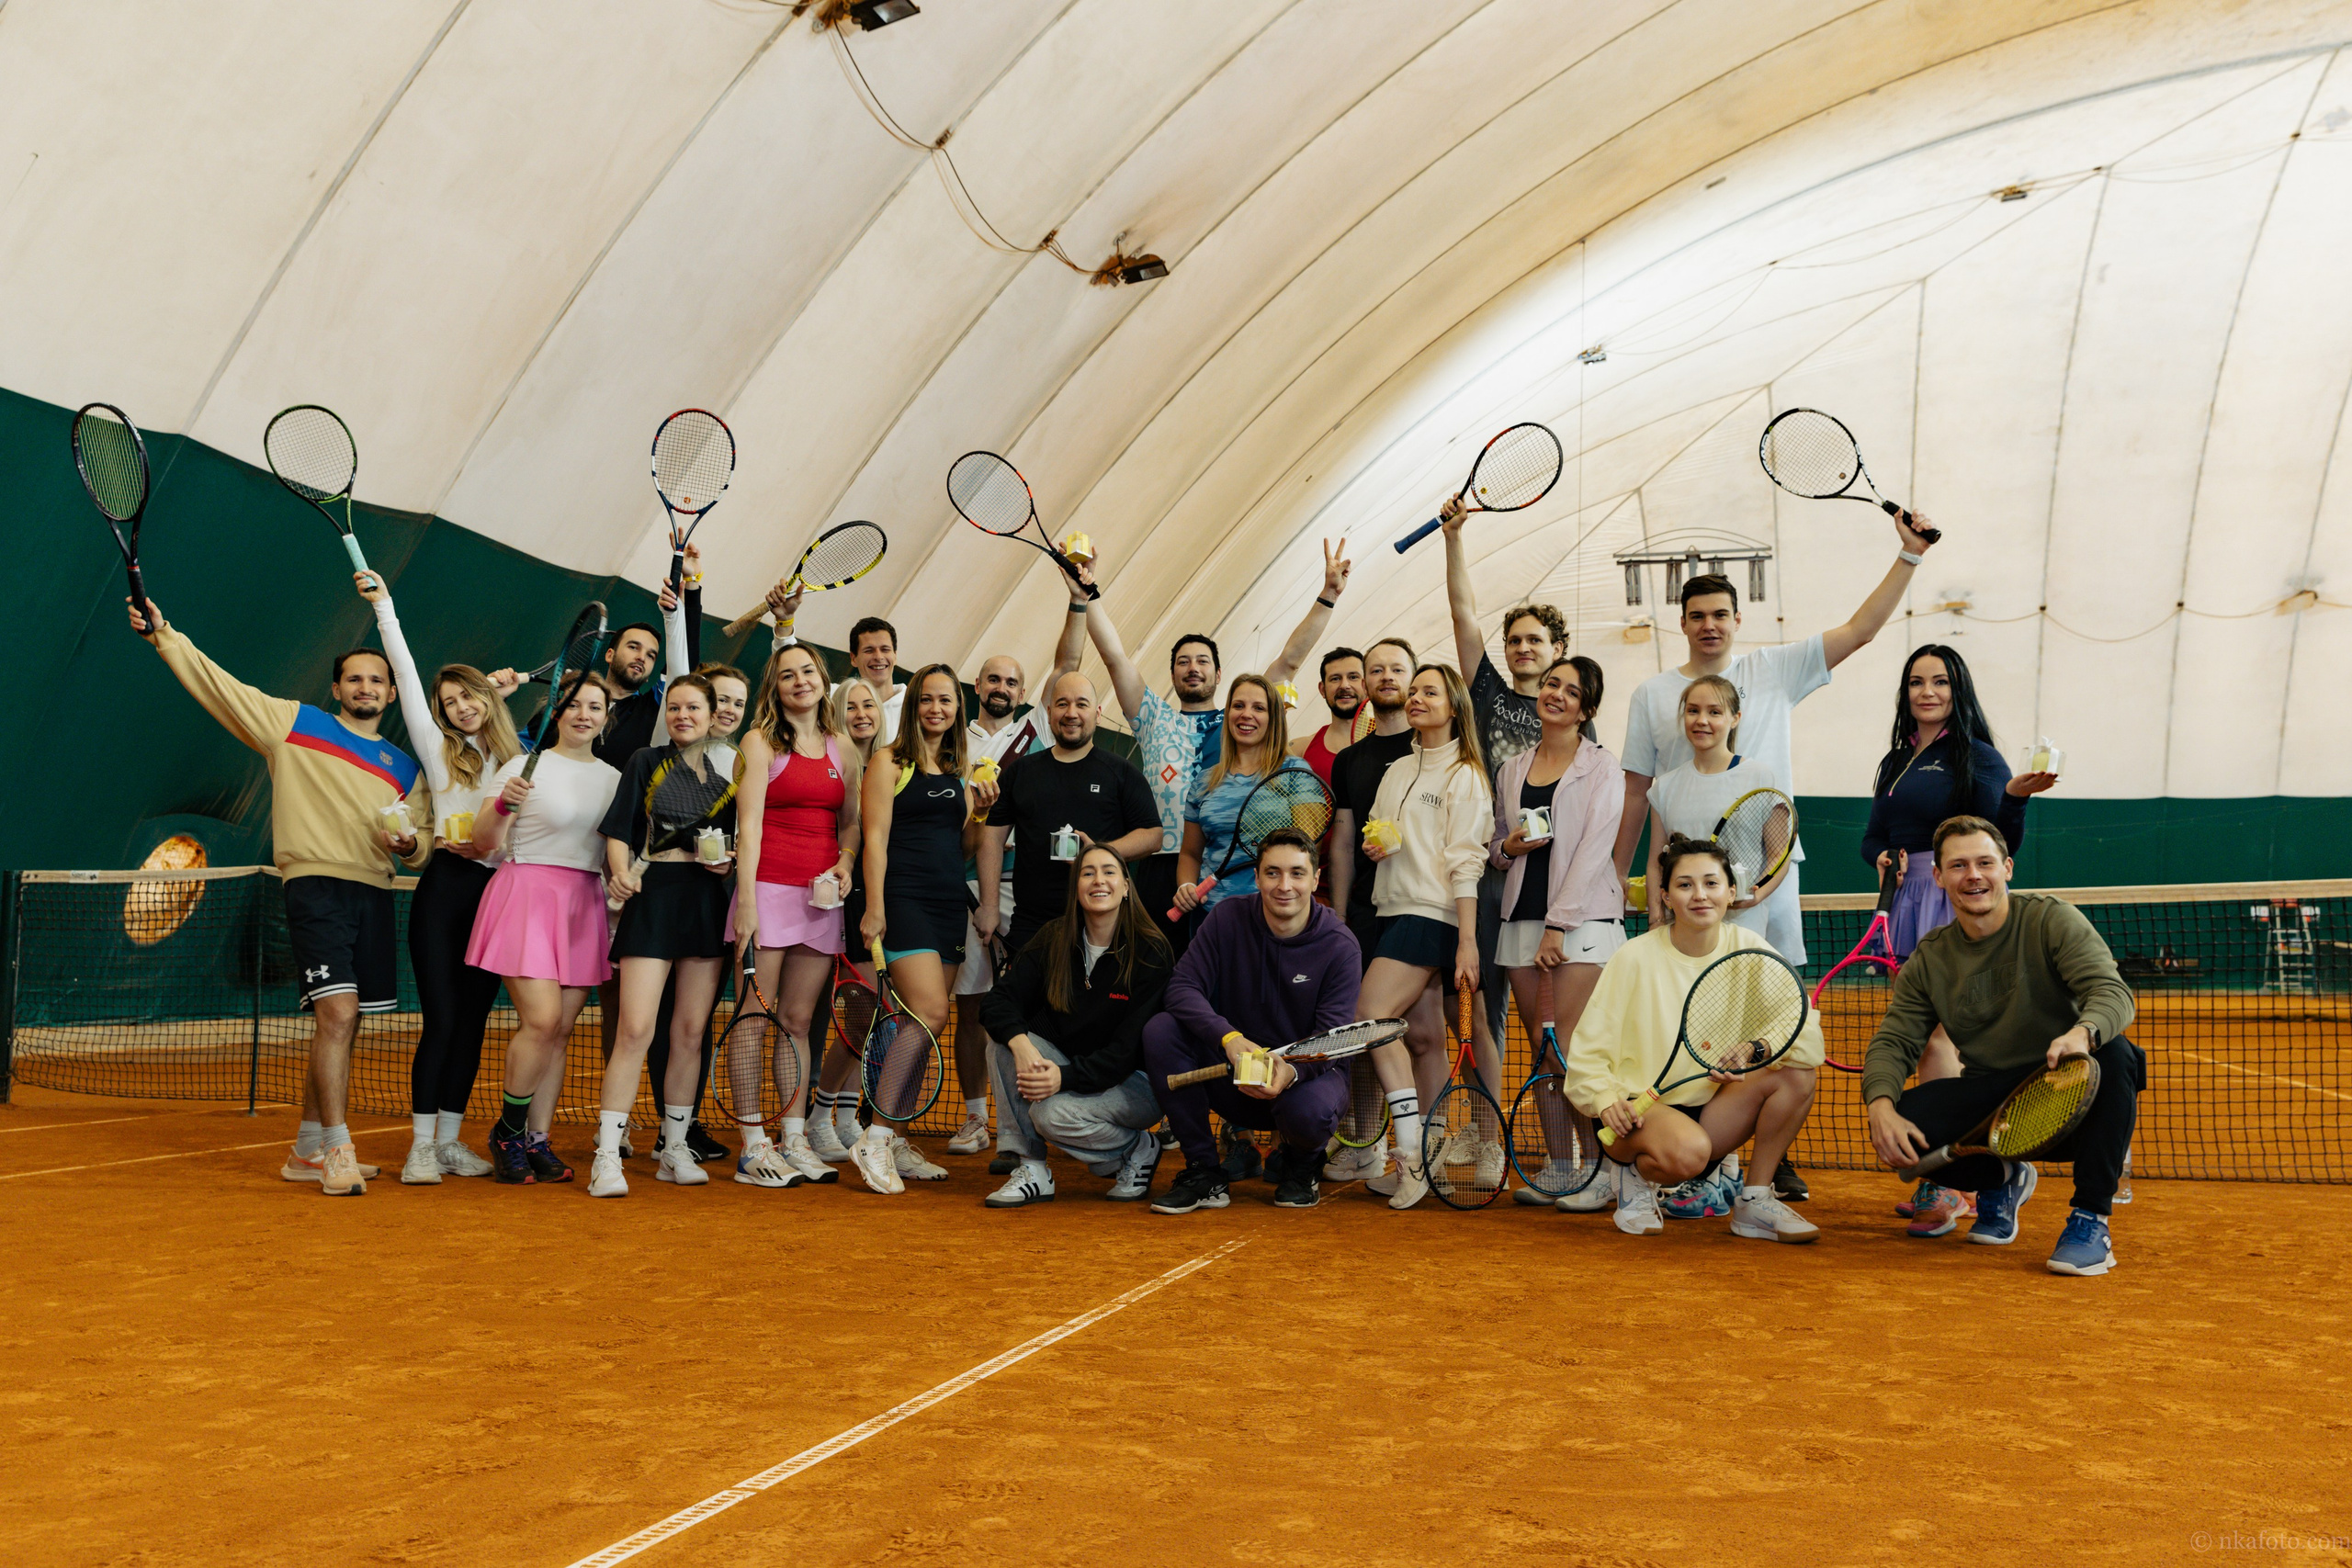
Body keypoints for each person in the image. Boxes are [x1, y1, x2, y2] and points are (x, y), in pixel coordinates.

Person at [130, 593, 424, 1196]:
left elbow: (423, 847)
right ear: (337, 689)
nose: (366, 687)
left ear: (392, 694)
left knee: (346, 1024)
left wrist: (411, 845)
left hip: (375, 894)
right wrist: (165, 635)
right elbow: (222, 688)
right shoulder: (294, 724)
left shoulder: (405, 768)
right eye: (354, 679)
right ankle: (338, 1147)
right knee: (337, 1014)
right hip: (315, 888)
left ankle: (307, 1150)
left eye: (377, 680)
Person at [1612, 519, 1939, 964]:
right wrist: (1616, 874)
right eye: (1698, 616)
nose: (1710, 625)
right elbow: (1636, 793)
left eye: (1720, 615)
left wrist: (1910, 554)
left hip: (1768, 873)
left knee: (1776, 991)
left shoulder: (1775, 669)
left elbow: (1860, 630)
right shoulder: (1650, 694)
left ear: (1737, 620)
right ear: (1682, 624)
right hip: (1686, 883)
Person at [1862, 818, 2141, 1276]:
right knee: (1907, 1120)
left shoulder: (2050, 919)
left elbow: (2111, 992)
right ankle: (2003, 1179)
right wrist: (1879, 1105)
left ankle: (2090, 1219)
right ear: (1938, 877)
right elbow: (1895, 1039)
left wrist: (2082, 1033)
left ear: (2007, 868)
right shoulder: (1931, 959)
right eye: (1958, 866)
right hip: (1995, 1102)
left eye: (1985, 863)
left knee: (2116, 1054)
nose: (1973, 875)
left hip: (2067, 1085)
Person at [1861, 643, 2059, 1232]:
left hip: (1952, 897)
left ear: (1958, 690)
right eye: (1917, 682)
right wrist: (1881, 857)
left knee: (1942, 1035)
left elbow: (1999, 840)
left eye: (1940, 682)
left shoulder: (1977, 755)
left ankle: (1952, 1180)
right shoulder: (1896, 760)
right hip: (1904, 901)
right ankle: (1958, 1174)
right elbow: (1874, 834)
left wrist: (2016, 798)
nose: (1927, 692)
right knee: (1922, 1034)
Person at [1081, 540, 1351, 938]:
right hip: (1163, 867)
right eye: (1183, 662)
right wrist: (1086, 594)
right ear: (1172, 675)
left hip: (1232, 877)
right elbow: (1114, 657)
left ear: (1219, 674)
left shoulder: (1240, 719)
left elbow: (1290, 660)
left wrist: (1328, 595)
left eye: (1203, 660)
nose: (1193, 668)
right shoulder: (1153, 718)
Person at [1563, 835, 1825, 1243]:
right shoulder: (1633, 957)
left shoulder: (1749, 949)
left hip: (1713, 1110)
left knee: (1797, 1074)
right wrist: (1605, 1099)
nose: (1700, 895)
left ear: (1731, 891)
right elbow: (1587, 1051)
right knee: (1688, 1154)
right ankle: (1633, 1176)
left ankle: (1754, 1200)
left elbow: (1801, 1025)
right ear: (1666, 896)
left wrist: (1756, 1049)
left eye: (1711, 883)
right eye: (1685, 885)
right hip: (1635, 1112)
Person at [356, 571, 528, 1185]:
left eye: (467, 696)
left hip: (496, 897)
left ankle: (451, 1142)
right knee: (443, 1020)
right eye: (450, 701)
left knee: (475, 1023)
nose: (460, 707)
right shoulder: (438, 750)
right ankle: (421, 1147)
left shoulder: (521, 759)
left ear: (489, 697)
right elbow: (405, 676)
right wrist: (385, 608)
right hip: (445, 893)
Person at [1143, 830, 1363, 1213]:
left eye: (1297, 873)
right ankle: (1204, 1172)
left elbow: (1330, 1041)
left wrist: (1290, 1072)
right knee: (1161, 1030)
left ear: (1315, 879)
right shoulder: (1227, 918)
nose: (1284, 885)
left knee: (1309, 1111)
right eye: (1273, 873)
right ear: (1257, 877)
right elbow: (1182, 987)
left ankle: (1302, 1165)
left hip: (1303, 1084)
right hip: (1233, 1078)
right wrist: (1227, 1038)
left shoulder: (1341, 946)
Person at [467, 671, 623, 1185]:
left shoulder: (614, 778)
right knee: (542, 1019)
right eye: (574, 704)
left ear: (606, 717)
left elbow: (613, 852)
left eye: (595, 707)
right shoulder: (521, 766)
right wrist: (502, 804)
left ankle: (536, 1139)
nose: (584, 714)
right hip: (526, 896)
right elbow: (484, 842)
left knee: (559, 1031)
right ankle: (508, 1133)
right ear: (557, 710)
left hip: (583, 904)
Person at [586, 674, 739, 1197]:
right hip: (653, 901)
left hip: (705, 904)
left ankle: (675, 1147)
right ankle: (608, 1155)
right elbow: (619, 831)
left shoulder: (730, 774)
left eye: (693, 708)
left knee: (690, 1033)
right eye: (674, 707)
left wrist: (727, 865)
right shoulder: (646, 762)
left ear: (712, 715)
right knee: (634, 1030)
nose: (682, 716)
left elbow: (736, 842)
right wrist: (620, 873)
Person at [1440, 501, 1568, 1110]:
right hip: (1486, 874)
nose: (1522, 648)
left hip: (1544, 881)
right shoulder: (1486, 693)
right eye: (1514, 639)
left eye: (1534, 640)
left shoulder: (1574, 715)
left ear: (1557, 648)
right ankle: (1487, 1130)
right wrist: (1453, 538)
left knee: (1546, 1023)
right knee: (1480, 1008)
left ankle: (1563, 1144)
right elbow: (1463, 614)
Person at [1487, 655, 1625, 1213]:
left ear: (1585, 709)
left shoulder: (1604, 767)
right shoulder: (1511, 768)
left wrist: (1557, 927)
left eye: (1571, 691)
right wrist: (1506, 849)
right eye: (1552, 684)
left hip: (1582, 924)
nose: (1557, 694)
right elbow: (1497, 844)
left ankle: (1602, 1170)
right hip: (1520, 920)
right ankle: (1560, 1167)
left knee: (1571, 1050)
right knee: (1541, 1051)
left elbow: (1594, 852)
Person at [1353, 662, 1494, 1212]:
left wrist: (1467, 941)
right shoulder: (1397, 769)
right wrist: (1376, 846)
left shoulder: (1466, 775)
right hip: (1392, 909)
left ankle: (1410, 1153)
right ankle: (1432, 1158)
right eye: (1413, 691)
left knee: (1371, 1017)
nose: (1416, 698)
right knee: (1425, 1039)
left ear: (1454, 705)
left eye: (1429, 692)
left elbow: (1467, 861)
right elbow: (1379, 828)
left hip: (1432, 915)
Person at [728, 641, 862, 1189]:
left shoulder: (843, 747)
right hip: (765, 893)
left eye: (808, 671)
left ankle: (795, 1137)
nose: (800, 681)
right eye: (788, 675)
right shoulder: (758, 742)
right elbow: (748, 828)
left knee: (799, 1022)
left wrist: (845, 863)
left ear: (823, 680)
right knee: (752, 1019)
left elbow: (850, 822)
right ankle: (753, 1146)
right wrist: (748, 904)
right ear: (775, 688)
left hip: (820, 902)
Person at [856, 664, 992, 1193]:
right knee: (929, 1012)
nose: (937, 709)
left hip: (947, 905)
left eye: (946, 700)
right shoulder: (888, 761)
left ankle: (897, 1137)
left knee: (929, 1026)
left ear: (958, 709)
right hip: (903, 900)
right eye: (927, 699)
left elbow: (962, 848)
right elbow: (874, 839)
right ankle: (875, 1136)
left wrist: (980, 814)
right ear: (913, 704)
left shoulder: (959, 770)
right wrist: (875, 908)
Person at [978, 844, 1174, 1207]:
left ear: (1126, 886)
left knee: (1050, 1116)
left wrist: (1063, 1078)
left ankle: (1137, 1146)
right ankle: (1032, 1169)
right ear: (1076, 888)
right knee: (1002, 1044)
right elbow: (997, 1002)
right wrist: (1021, 1044)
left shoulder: (1151, 951)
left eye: (1109, 872)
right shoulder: (1054, 937)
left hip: (1135, 1082)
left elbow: (1125, 1053)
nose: (1099, 880)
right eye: (1087, 873)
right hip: (1071, 1067)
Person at [1322, 637, 1434, 1183]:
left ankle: (1430, 1148)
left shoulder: (1437, 749)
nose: (1386, 677)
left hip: (1424, 908)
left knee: (1423, 1035)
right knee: (1364, 1030)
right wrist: (1341, 915)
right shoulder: (1349, 761)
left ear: (1413, 679)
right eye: (1376, 670)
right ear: (1365, 683)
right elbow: (1343, 842)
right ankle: (1366, 1141)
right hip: (1368, 911)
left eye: (1397, 669)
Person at [979, 672, 1162, 953]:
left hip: (1101, 923)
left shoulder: (1121, 772)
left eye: (1081, 704)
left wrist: (1099, 852)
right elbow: (992, 838)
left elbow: (1153, 835)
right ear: (1049, 712)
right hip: (1031, 923)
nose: (1071, 713)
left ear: (1097, 713)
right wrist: (990, 906)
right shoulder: (1021, 771)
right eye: (1062, 704)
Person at [807, 677, 887, 1163]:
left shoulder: (893, 763)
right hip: (844, 898)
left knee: (873, 1018)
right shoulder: (832, 765)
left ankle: (844, 1117)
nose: (861, 714)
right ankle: (819, 1116)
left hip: (886, 898)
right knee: (860, 1014)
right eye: (850, 706)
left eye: (868, 705)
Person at [1171, 673, 1318, 916]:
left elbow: (1307, 850)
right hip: (1212, 915)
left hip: (1275, 915)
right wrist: (1186, 886)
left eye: (1258, 708)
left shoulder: (1296, 772)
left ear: (1273, 718)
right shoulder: (1203, 781)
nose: (1246, 714)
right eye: (1238, 706)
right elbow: (1190, 854)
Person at [1292, 647, 1365, 781]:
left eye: (1353, 677)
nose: (1344, 685)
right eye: (1335, 679)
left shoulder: (1391, 742)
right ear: (1322, 690)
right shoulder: (1299, 750)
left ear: (1367, 685)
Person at [840, 616, 906, 743]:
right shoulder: (837, 701)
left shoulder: (915, 705)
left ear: (895, 655)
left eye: (885, 650)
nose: (879, 657)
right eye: (869, 651)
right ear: (853, 658)